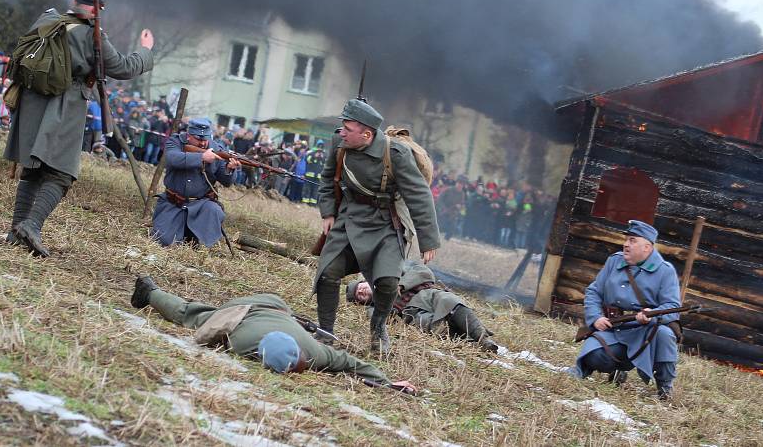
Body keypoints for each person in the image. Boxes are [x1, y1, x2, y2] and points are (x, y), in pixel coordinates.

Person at [3, 0, 154, 257]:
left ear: (74, 1)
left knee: (34, 169)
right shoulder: (91, 36)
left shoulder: (48, 19)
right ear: (98, 10)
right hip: (64, 105)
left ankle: (15, 230)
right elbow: (123, 67)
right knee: (62, 172)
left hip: (32, 101)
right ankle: (31, 226)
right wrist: (145, 50)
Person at [130, 276, 416, 393]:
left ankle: (150, 292)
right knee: (193, 316)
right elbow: (353, 364)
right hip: (252, 309)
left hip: (274, 306)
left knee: (199, 315)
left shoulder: (315, 352)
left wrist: (389, 383)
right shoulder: (241, 345)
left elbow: (352, 364)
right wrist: (388, 383)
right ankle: (149, 293)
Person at [314, 99, 440, 354]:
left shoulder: (396, 155)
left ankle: (378, 328)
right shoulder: (339, 145)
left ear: (367, 134)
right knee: (328, 273)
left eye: (348, 129)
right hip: (350, 219)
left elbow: (419, 196)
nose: (342, 133)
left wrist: (429, 240)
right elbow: (328, 179)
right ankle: (325, 332)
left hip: (387, 223)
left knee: (387, 282)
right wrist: (328, 212)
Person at [567, 220, 681, 400]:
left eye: (632, 240)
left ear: (647, 247)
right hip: (614, 328)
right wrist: (596, 317)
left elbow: (673, 308)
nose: (626, 244)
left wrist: (650, 315)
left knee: (665, 335)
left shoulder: (665, 271)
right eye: (626, 240)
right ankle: (593, 370)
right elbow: (594, 292)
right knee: (595, 356)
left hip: (644, 332)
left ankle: (665, 389)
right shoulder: (614, 261)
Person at [346, 260, 500, 352]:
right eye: (360, 295)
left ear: (365, 281)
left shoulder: (393, 272)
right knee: (440, 328)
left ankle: (484, 340)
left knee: (449, 302)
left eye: (361, 287)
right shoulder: (374, 308)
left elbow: (424, 271)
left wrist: (400, 285)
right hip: (415, 315)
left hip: (427, 296)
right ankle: (472, 341)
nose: (363, 291)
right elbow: (380, 322)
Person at [151, 118, 240, 247]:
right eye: (199, 139)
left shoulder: (217, 148)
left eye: (205, 139)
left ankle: (198, 239)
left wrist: (229, 169)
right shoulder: (175, 142)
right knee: (164, 241)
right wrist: (201, 157)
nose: (203, 143)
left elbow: (226, 181)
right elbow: (173, 159)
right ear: (188, 136)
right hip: (173, 204)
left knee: (213, 211)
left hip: (201, 206)